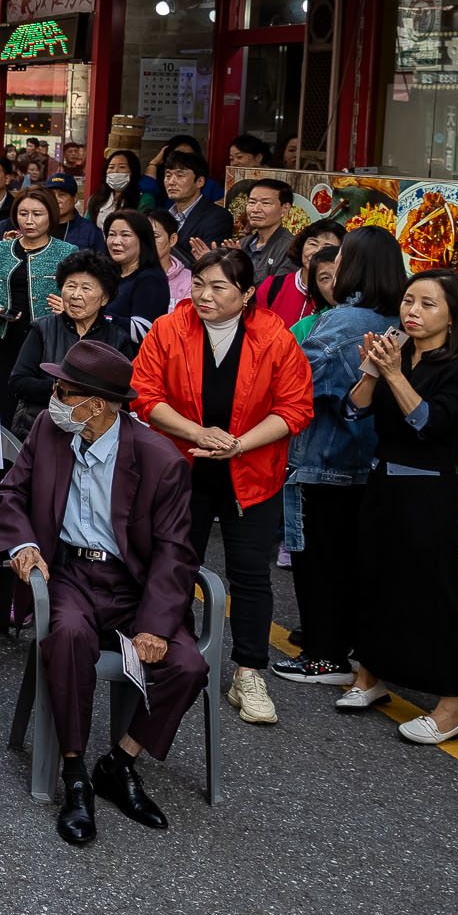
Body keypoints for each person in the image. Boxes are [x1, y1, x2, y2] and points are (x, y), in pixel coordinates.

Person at [0, 339, 204, 847]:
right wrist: (22, 545)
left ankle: (120, 761)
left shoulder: (159, 459)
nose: (53, 399)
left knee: (189, 667)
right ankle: (75, 774)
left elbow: (176, 551)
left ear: (99, 404)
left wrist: (154, 623)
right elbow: (10, 492)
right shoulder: (49, 429)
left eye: (64, 391)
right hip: (69, 574)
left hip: (133, 585)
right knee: (66, 637)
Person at [130, 248, 314, 728]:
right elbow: (145, 393)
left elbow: (295, 408)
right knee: (169, 563)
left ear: (247, 293)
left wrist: (239, 445)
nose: (204, 296)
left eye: (219, 288)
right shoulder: (170, 327)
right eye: (199, 285)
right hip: (180, 469)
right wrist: (197, 433)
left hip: (251, 473)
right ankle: (165, 652)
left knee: (250, 576)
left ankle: (249, 672)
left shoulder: (274, 336)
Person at [339, 270, 458, 744]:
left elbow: (426, 423)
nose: (413, 311)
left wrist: (393, 374)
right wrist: (372, 369)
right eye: (409, 300)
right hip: (381, 481)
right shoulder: (396, 354)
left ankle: (451, 707)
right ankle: (370, 677)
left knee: (430, 596)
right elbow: (355, 411)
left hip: (427, 493)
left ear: (453, 316)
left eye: (428, 304)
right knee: (372, 582)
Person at [276, 228, 406, 687]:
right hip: (369, 459)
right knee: (349, 559)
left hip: (325, 454)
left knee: (318, 559)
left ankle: (323, 654)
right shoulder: (399, 317)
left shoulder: (345, 320)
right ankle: (339, 642)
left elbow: (299, 381)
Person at [0, 190, 77, 419]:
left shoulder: (66, 252)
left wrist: (67, 306)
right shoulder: (0, 249)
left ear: (51, 216)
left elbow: (79, 292)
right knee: (3, 404)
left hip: (49, 341)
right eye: (23, 213)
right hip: (6, 338)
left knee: (41, 410)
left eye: (37, 214)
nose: (29, 220)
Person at [8, 253, 122, 438]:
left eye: (86, 288)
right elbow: (18, 381)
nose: (76, 295)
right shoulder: (42, 328)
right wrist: (60, 389)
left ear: (104, 298)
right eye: (71, 286)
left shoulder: (117, 338)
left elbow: (121, 393)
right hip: (39, 428)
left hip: (94, 434)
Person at [102, 209, 171, 351]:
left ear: (143, 240)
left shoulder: (151, 279)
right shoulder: (107, 274)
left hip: (131, 365)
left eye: (125, 235)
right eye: (111, 235)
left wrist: (96, 316)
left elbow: (143, 331)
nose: (116, 241)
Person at [160, 153, 231, 256]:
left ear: (200, 182)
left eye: (179, 175)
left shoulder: (217, 217)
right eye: (168, 175)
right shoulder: (163, 216)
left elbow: (209, 261)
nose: (171, 182)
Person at [235, 177, 299, 282]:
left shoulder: (291, 249)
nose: (256, 209)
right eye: (252, 202)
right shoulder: (242, 244)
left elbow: (275, 291)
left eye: (266, 203)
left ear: (285, 209)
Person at [92, 149, 145, 230]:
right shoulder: (96, 198)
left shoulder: (143, 199)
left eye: (122, 167)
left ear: (133, 171)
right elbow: (86, 227)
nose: (115, 171)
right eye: (111, 167)